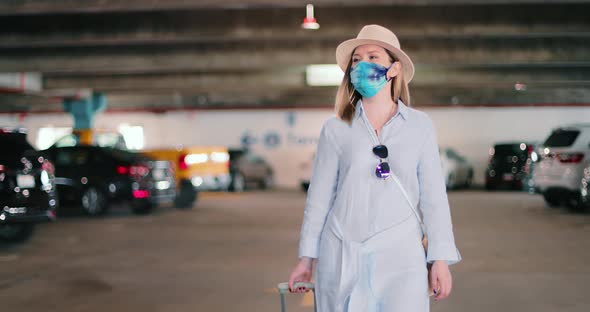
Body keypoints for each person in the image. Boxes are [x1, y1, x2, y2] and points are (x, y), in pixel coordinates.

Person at [288, 24, 461, 311]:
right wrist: (306, 260)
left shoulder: (419, 126)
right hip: (342, 250)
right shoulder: (336, 128)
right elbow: (318, 200)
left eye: (373, 57)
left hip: (401, 255)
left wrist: (440, 260)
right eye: (356, 60)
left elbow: (434, 199)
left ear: (394, 69)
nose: (362, 65)